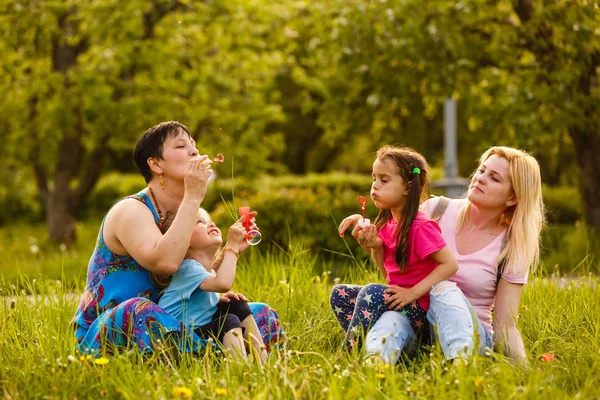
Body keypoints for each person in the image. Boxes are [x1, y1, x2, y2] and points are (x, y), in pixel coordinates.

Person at [71, 121, 283, 355]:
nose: (194, 152)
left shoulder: (192, 212)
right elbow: (166, 264)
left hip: (176, 321)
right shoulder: (130, 210)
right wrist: (192, 197)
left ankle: (232, 364)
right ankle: (210, 355)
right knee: (140, 310)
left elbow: (188, 274)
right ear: (155, 164)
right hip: (116, 327)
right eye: (181, 146)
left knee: (260, 313)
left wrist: (230, 252)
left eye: (194, 145)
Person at [344, 146, 544, 366]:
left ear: (512, 198)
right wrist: (375, 247)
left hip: (472, 336)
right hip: (421, 326)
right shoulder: (435, 210)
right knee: (387, 316)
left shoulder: (511, 246)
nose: (480, 179)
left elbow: (506, 324)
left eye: (494, 178)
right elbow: (397, 276)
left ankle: (460, 365)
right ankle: (372, 369)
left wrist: (524, 370)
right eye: (482, 170)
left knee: (443, 289)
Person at [331, 145, 458, 350]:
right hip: (400, 304)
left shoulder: (420, 226)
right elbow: (387, 275)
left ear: (408, 187)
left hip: (422, 311)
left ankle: (349, 354)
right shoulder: (388, 224)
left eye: (384, 180)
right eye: (374, 178)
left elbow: (450, 265)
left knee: (371, 292)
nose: (375, 186)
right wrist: (375, 246)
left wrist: (412, 293)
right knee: (340, 294)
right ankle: (370, 346)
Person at [156, 208, 268, 364]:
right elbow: (223, 284)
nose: (210, 224)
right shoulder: (187, 268)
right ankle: (240, 371)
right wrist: (232, 245)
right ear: (183, 240)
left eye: (209, 220)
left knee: (236, 304)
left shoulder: (201, 270)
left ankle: (263, 362)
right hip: (178, 339)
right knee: (228, 321)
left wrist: (237, 249)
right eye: (200, 222)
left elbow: (215, 278)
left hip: (197, 330)